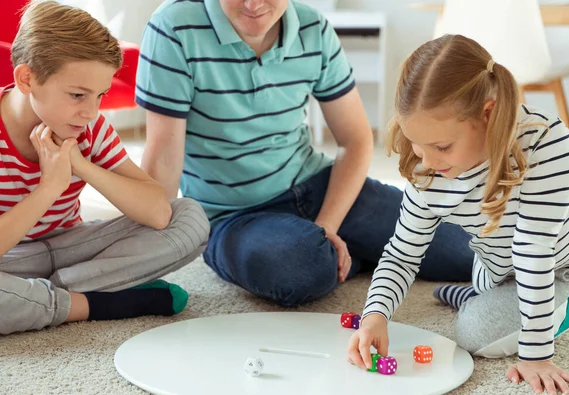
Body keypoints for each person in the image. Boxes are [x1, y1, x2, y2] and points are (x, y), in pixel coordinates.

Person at [136, 0, 474, 307]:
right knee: (298, 268)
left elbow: (355, 139)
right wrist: (148, 257)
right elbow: (163, 156)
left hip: (319, 187)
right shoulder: (174, 26)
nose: (253, 4)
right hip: (232, 217)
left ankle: (333, 246)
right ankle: (346, 251)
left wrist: (327, 226)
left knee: (467, 251)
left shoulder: (313, 28)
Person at [347, 34, 569, 395]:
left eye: (442, 147)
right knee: (483, 292)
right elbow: (402, 253)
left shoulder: (545, 140)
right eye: (418, 146)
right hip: (497, 270)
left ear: (488, 113)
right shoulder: (427, 167)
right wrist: (374, 317)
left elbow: (533, 250)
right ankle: (474, 296)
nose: (428, 162)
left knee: (474, 333)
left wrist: (536, 355)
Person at [0, 1, 210, 335]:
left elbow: (158, 213)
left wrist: (82, 166)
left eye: (100, 95)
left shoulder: (89, 127)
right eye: (77, 95)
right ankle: (96, 304)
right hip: (9, 260)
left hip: (73, 252)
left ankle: (44, 296)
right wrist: (49, 189)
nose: (90, 111)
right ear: (26, 78)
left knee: (190, 218)